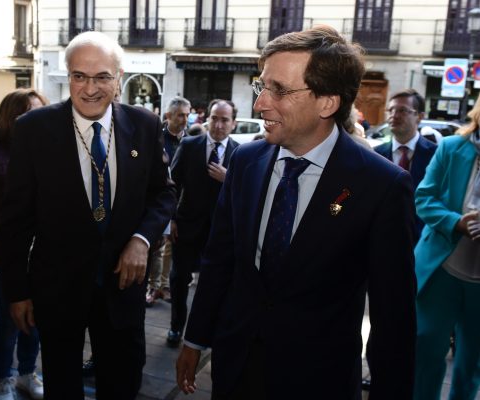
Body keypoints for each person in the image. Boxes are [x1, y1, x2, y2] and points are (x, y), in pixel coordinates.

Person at [175, 25, 416, 399]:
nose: (260, 104)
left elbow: (393, 317)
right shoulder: (245, 161)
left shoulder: (381, 186)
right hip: (235, 368)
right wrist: (195, 338)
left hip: (319, 380)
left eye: (280, 91)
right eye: (261, 86)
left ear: (328, 102)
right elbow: (220, 260)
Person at [0, 31, 176, 399]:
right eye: (80, 76)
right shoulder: (34, 129)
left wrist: (142, 239)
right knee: (62, 384)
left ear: (120, 78)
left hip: (124, 286)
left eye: (102, 77)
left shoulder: (144, 125)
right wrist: (16, 292)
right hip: (57, 287)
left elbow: (163, 193)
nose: (90, 88)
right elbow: (14, 220)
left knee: (124, 379)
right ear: (68, 77)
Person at [0, 89, 47, 400]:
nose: (38, 121)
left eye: (42, 113)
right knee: (9, 320)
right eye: (30, 113)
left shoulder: (46, 154)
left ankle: (27, 374)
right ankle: (2, 380)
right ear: (11, 117)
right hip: (2, 257)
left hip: (39, 256)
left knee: (36, 319)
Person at [413, 96, 480, 400]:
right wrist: (456, 222)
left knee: (472, 363)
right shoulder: (452, 147)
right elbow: (423, 198)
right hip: (442, 268)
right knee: (426, 350)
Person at [166, 100, 239, 348]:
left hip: (220, 232)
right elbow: (172, 186)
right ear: (207, 118)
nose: (218, 125)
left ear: (233, 124)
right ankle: (176, 327)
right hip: (186, 228)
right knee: (178, 279)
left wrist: (228, 179)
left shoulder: (240, 153)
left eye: (224, 120)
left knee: (214, 284)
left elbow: (247, 195)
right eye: (214, 118)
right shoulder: (189, 145)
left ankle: (205, 331)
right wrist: (172, 219)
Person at [145, 96, 191, 307]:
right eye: (181, 115)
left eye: (187, 115)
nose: (185, 119)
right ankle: (153, 288)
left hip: (180, 205)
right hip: (158, 201)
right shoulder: (157, 138)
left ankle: (163, 286)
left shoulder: (190, 141)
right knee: (156, 246)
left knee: (170, 248)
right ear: (168, 116)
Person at [374, 89, 437, 236]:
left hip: (422, 237)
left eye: (402, 110)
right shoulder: (375, 155)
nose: (394, 116)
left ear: (420, 116)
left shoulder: (436, 154)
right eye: (390, 110)